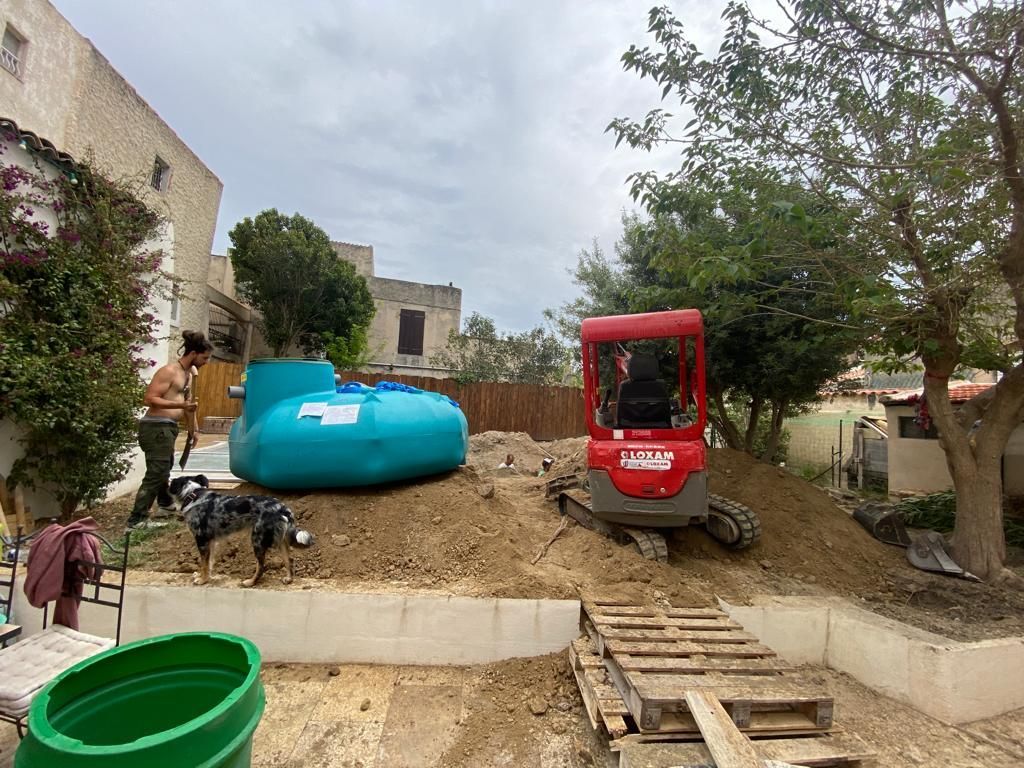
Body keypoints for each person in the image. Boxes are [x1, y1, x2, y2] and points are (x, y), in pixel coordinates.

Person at [127, 330, 214, 529]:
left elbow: (188, 404)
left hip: (168, 428)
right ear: (193, 354)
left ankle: (165, 505)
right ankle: (136, 520)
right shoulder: (169, 371)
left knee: (164, 469)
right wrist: (181, 407)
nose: (206, 362)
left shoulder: (187, 375)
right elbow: (150, 398)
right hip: (155, 427)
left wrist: (195, 430)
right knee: (156, 473)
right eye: (204, 357)